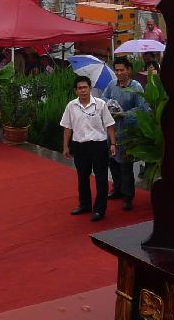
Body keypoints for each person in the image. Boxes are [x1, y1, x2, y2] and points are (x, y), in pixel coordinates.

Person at [60, 75, 118, 222]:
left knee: (101, 178)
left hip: (98, 145)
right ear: (75, 90)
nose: (83, 90)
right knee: (82, 177)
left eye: (85, 87)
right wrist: (65, 146)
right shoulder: (71, 106)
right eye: (80, 88)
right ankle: (85, 204)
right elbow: (67, 127)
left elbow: (109, 125)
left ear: (90, 89)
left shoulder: (100, 104)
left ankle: (99, 210)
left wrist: (113, 143)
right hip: (80, 146)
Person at [101, 57, 149, 211]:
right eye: (117, 70)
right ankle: (117, 189)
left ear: (129, 70)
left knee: (125, 165)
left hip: (127, 132)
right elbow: (103, 99)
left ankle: (128, 197)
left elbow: (143, 108)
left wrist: (124, 114)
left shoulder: (136, 87)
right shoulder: (111, 85)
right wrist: (109, 107)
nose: (119, 73)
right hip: (111, 131)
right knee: (113, 162)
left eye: (122, 70)